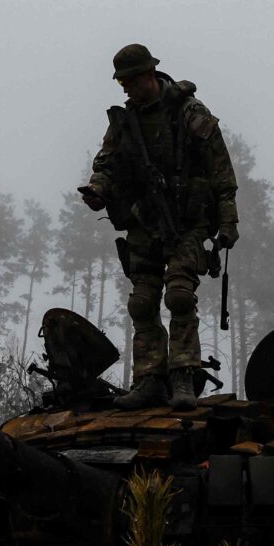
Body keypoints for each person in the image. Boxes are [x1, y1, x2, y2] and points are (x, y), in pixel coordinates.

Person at [79, 43, 239, 406]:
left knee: (180, 296)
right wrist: (97, 190)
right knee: (141, 302)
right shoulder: (124, 123)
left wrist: (228, 221)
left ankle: (182, 377)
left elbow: (221, 171)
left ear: (149, 74)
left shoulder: (189, 112)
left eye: (131, 80)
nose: (126, 88)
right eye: (122, 83)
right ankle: (150, 378)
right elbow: (106, 164)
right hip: (143, 222)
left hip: (188, 223)